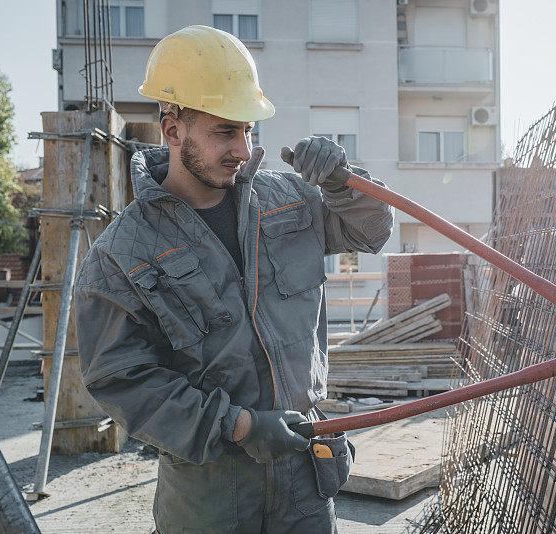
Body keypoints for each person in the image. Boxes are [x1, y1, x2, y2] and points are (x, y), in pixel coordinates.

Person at [73, 25, 393, 533]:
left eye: (247, 130)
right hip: (207, 496)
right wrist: (239, 425)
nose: (243, 148)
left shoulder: (289, 202)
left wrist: (343, 181)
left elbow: (370, 229)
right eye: (225, 131)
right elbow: (119, 379)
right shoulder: (122, 252)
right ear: (173, 129)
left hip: (304, 477)